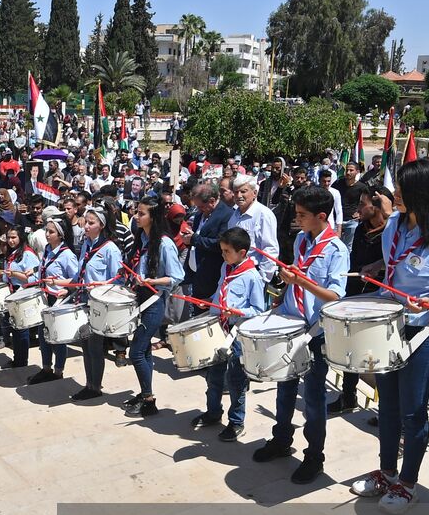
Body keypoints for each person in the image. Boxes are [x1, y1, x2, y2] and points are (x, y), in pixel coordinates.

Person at [350, 160, 429, 514]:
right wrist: (378, 268)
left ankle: (408, 483)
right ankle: (386, 471)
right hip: (388, 324)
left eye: (403, 189)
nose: (395, 194)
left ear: (424, 193)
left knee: (413, 411)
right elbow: (395, 263)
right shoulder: (393, 225)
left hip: (423, 331)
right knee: (386, 405)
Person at [253, 187, 348, 482]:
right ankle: (282, 439)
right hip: (290, 325)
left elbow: (334, 296)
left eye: (302, 215)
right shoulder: (300, 240)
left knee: (314, 396)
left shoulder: (336, 250)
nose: (296, 220)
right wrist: (285, 290)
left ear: (321, 216)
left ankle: (314, 456)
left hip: (316, 332)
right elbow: (298, 277)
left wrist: (301, 281)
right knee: (284, 386)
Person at [194, 227, 267, 440]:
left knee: (235, 381)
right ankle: (213, 412)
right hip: (218, 329)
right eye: (222, 250)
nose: (223, 255)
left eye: (227, 251)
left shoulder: (252, 276)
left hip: (236, 334)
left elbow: (258, 310)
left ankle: (236, 421)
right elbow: (221, 293)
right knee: (213, 376)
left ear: (242, 253)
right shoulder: (226, 269)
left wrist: (237, 312)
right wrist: (209, 302)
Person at [330, 185, 393, 422]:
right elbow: (355, 262)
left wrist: (378, 268)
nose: (358, 209)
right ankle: (348, 395)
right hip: (355, 294)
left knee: (377, 356)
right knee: (350, 349)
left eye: (362, 204)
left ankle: (386, 407)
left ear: (376, 206)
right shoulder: (360, 230)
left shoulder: (391, 232)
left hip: (379, 300)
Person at [123, 195, 184, 416]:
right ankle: (145, 392)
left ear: (153, 217)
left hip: (154, 302)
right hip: (140, 298)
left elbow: (177, 276)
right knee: (144, 349)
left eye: (141, 213)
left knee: (136, 352)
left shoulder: (165, 244)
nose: (136, 216)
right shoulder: (143, 239)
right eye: (136, 212)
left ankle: (149, 400)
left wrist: (152, 281)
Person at [71, 207, 124, 401]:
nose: (86, 226)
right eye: (86, 222)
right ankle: (89, 383)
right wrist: (65, 286)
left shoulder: (110, 249)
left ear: (101, 225)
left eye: (91, 223)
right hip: (84, 300)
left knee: (94, 346)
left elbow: (119, 279)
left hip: (100, 303)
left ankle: (94, 387)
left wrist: (101, 285)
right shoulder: (86, 244)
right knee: (85, 344)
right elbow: (80, 273)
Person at [28, 215, 78, 385]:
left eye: (51, 232)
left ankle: (58, 371)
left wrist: (66, 288)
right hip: (45, 297)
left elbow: (76, 279)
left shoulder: (67, 255)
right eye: (46, 231)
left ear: (61, 234)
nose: (47, 234)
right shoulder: (48, 250)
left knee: (57, 337)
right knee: (44, 335)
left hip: (59, 300)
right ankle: (46, 368)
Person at [0, 222, 40, 369]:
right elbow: (7, 277)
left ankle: (22, 362)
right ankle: (17, 359)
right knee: (14, 328)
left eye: (14, 237)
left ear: (21, 238)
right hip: (12, 296)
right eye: (9, 238)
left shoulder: (28, 254)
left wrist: (15, 274)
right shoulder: (11, 254)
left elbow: (34, 278)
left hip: (23, 296)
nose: (10, 241)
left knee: (22, 330)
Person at [229, 174, 280, 279]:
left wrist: (263, 278)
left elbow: (270, 249)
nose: (238, 196)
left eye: (243, 191)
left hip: (254, 272)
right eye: (236, 192)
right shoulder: (234, 215)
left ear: (255, 193)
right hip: (234, 270)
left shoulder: (264, 215)